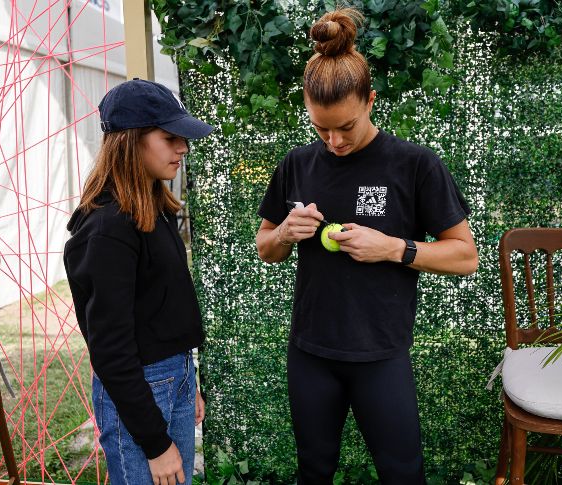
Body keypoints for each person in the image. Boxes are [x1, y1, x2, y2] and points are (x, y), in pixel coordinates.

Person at [255, 8, 479, 485]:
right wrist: (283, 234)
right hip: (311, 352)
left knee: (402, 473)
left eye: (346, 127)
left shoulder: (414, 165)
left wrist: (395, 248)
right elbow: (265, 247)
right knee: (313, 471)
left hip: (381, 354)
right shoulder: (295, 165)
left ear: (371, 100)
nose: (334, 141)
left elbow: (465, 256)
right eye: (321, 128)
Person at [64, 78, 212, 485]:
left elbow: (165, 306)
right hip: (139, 392)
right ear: (131, 141)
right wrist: (154, 442)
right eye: (170, 137)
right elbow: (110, 349)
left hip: (174, 378)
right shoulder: (108, 228)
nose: (182, 147)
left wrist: (187, 382)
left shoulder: (154, 207)